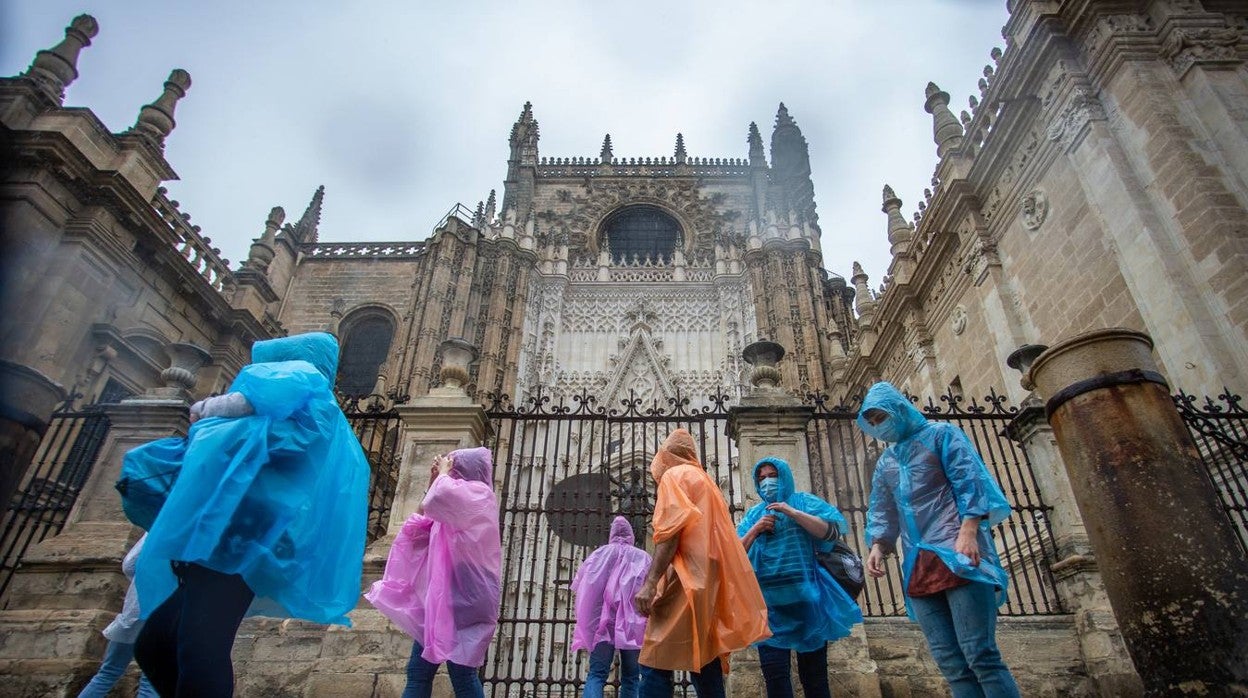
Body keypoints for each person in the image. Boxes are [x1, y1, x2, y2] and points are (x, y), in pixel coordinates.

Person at [127, 332, 371, 697]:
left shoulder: (304, 387)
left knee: (198, 646)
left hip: (244, 539)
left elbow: (257, 398)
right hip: (234, 536)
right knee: (158, 643)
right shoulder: (305, 414)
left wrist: (207, 409)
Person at [858, 381, 1021, 698]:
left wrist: (969, 529)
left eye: (882, 416)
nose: (880, 425)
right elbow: (882, 508)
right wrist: (878, 545)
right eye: (873, 421)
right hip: (919, 563)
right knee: (950, 663)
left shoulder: (942, 435)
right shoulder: (886, 463)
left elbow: (968, 478)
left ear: (899, 408)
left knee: (980, 655)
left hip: (958, 554)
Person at [633, 429, 770, 698]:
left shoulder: (674, 476)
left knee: (654, 659)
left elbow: (670, 533)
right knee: (705, 659)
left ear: (667, 455)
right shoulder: (707, 482)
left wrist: (650, 583)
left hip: (684, 580)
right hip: (709, 584)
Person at [365, 447, 501, 698]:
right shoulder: (450, 503)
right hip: (444, 600)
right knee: (422, 672)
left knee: (459, 674)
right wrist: (433, 482)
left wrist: (443, 476)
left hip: (465, 598)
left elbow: (441, 497)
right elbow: (415, 526)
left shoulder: (480, 496)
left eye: (455, 467)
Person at [738, 457, 862, 698]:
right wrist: (756, 529)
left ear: (783, 476)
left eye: (771, 475)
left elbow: (830, 533)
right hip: (769, 609)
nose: (766, 482)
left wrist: (790, 511)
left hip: (808, 606)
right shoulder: (754, 515)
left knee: (815, 678)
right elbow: (734, 554)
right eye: (761, 478)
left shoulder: (804, 502)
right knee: (775, 678)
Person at [570, 515, 652, 698]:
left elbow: (582, 586)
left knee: (596, 675)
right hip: (633, 626)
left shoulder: (598, 555)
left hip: (603, 625)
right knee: (632, 677)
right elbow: (652, 588)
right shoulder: (643, 558)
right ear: (631, 535)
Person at [77, 534, 158, 698]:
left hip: (134, 611)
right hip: (164, 613)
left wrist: (139, 584)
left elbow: (129, 564)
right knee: (150, 680)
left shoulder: (156, 528)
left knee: (108, 671)